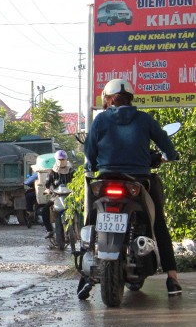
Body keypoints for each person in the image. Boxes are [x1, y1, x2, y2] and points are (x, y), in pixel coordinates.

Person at [83, 78, 181, 297]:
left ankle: (86, 264)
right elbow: (166, 144)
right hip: (139, 182)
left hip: (106, 179)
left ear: (107, 100)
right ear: (131, 98)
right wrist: (169, 156)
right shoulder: (144, 119)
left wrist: (92, 164)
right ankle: (172, 278)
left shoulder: (100, 121)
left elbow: (90, 151)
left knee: (90, 215)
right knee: (159, 224)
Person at [41, 150, 75, 239]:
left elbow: (76, 182)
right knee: (44, 210)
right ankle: (49, 230)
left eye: (63, 159)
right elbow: (47, 184)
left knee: (81, 209)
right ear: (56, 160)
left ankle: (80, 229)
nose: (61, 161)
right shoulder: (52, 172)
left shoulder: (71, 171)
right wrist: (48, 189)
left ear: (66, 159)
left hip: (70, 197)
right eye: (59, 159)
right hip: (56, 196)